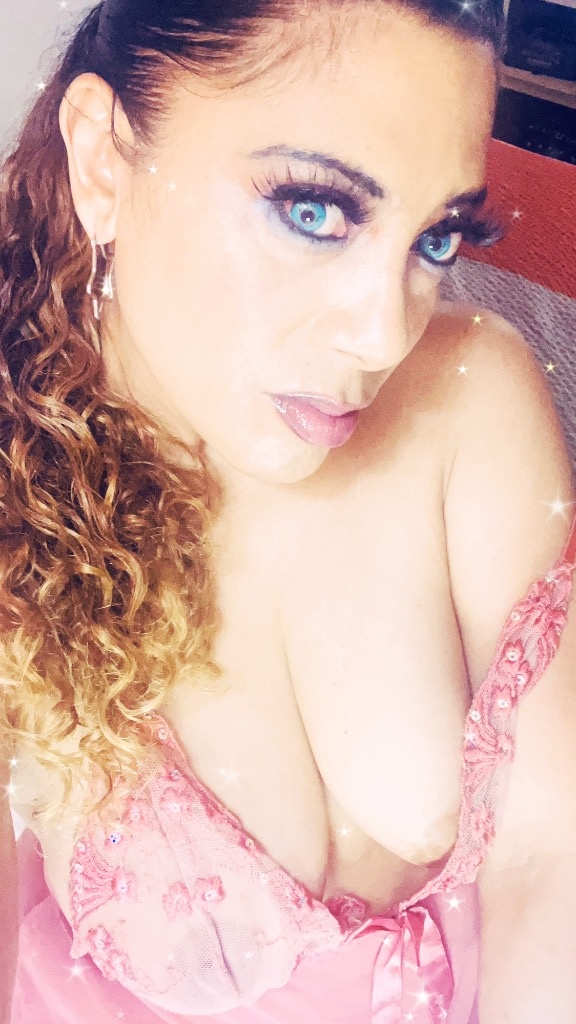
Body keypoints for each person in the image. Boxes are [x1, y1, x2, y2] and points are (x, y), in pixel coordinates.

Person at [1, 0, 576, 1021]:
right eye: (314, 212)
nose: (382, 333)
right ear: (102, 162)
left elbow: (550, 851)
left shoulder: (471, 395)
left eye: (436, 237)